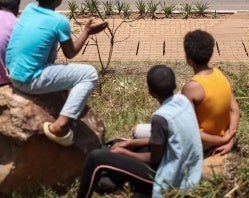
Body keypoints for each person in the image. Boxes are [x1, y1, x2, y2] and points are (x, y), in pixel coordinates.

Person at [5, 0, 108, 147]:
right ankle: (60, 125)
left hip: (12, 73)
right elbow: (71, 53)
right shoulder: (59, 21)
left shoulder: (29, 9)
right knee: (89, 73)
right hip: (29, 80)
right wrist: (87, 32)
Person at [76, 65, 203, 198]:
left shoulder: (161, 117)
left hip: (168, 178)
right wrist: (130, 144)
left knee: (96, 157)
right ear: (175, 84)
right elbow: (168, 139)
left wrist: (123, 152)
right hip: (189, 169)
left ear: (150, 92)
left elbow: (154, 159)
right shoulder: (183, 101)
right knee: (119, 142)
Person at [182, 29, 240, 156]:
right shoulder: (220, 75)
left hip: (201, 144)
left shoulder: (191, 88)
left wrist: (222, 140)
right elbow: (235, 110)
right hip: (221, 136)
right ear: (211, 52)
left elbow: (189, 130)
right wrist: (230, 137)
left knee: (139, 131)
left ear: (187, 57)